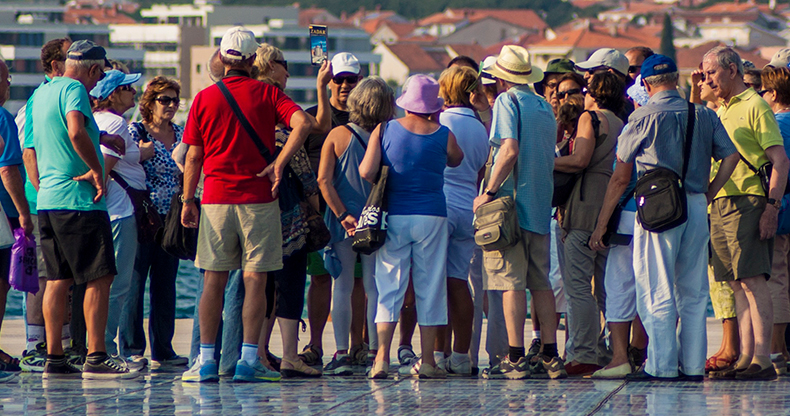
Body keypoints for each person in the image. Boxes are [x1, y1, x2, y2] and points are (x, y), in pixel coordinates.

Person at [589, 54, 740, 381]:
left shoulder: (642, 117)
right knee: (694, 290)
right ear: (677, 79)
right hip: (697, 204)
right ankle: (693, 365)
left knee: (655, 286)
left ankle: (662, 366)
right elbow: (731, 155)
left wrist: (601, 224)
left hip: (657, 207)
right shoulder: (702, 113)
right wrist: (711, 191)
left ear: (645, 84)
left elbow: (619, 176)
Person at [180, 27, 313, 383]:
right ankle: (248, 359)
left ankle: (207, 361)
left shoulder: (205, 98)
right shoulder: (268, 93)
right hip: (259, 200)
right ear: (254, 60)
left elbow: (194, 156)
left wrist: (188, 199)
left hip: (216, 200)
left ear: (222, 58)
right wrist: (281, 162)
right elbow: (304, 123)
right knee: (256, 280)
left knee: (213, 281)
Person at [24, 39, 135, 379]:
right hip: (80, 200)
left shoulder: (39, 93)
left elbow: (29, 149)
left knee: (57, 279)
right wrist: (97, 172)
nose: (99, 81)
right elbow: (75, 130)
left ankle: (55, 357)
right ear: (92, 70)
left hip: (50, 202)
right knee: (100, 276)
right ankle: (97, 355)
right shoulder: (74, 88)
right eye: (100, 73)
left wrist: (43, 186)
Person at [360, 74, 463, 379]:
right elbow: (457, 160)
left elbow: (367, 171)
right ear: (433, 107)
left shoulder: (385, 129)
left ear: (406, 103)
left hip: (395, 215)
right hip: (432, 215)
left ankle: (381, 358)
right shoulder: (444, 134)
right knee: (430, 286)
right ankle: (429, 360)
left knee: (389, 286)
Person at [473, 45, 565, 380]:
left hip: (510, 206)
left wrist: (488, 192)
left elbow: (508, 150)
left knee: (510, 282)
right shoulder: (543, 105)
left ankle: (515, 356)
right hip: (540, 205)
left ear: (500, 77)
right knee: (540, 282)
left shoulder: (505, 102)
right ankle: (551, 354)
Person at [704, 46, 790, 381]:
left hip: (749, 201)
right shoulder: (721, 109)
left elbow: (780, 161)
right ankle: (745, 357)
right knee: (738, 283)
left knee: (754, 281)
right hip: (723, 202)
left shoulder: (755, 105)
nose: (707, 78)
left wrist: (772, 207)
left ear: (732, 70)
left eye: (712, 72)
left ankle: (762, 359)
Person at [252, 42, 330, 377]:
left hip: (250, 200)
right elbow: (300, 151)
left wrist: (320, 89)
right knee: (290, 278)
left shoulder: (248, 99)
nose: (286, 70)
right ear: (270, 66)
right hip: (285, 203)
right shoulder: (275, 103)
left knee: (259, 282)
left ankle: (255, 352)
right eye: (283, 64)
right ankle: (288, 355)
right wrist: (314, 199)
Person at [317, 77, 394, 375]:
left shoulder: (337, 135)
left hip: (344, 223)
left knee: (343, 285)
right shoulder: (388, 135)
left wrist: (340, 214)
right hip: (377, 221)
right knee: (375, 286)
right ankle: (375, 351)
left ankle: (341, 352)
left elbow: (324, 180)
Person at [17, 38, 84, 373]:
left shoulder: (56, 94)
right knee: (47, 276)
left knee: (61, 276)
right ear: (58, 66)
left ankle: (62, 343)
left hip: (54, 197)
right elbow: (27, 151)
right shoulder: (41, 98)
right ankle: (36, 345)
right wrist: (42, 187)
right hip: (45, 199)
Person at [555, 72, 625, 376]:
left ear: (593, 94)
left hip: (583, 206)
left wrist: (546, 161)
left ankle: (583, 351)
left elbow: (580, 159)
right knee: (605, 286)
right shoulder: (622, 122)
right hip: (610, 206)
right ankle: (607, 350)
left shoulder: (590, 117)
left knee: (578, 285)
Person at [300, 52, 365, 369]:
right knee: (321, 278)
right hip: (320, 213)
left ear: (359, 81)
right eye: (338, 79)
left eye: (350, 79)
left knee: (358, 281)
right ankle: (315, 344)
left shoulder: (369, 122)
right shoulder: (312, 119)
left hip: (355, 214)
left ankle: (358, 344)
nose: (344, 85)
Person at [121, 76, 187, 368]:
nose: (171, 105)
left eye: (174, 100)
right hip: (143, 216)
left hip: (172, 218)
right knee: (135, 282)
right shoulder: (137, 133)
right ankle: (132, 347)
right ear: (150, 103)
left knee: (166, 284)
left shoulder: (183, 134)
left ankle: (164, 348)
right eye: (164, 100)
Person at [429, 66, 489, 376]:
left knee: (436, 283)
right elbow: (480, 171)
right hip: (470, 207)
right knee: (459, 282)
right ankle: (462, 355)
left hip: (441, 203)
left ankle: (438, 353)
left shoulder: (439, 121)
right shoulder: (480, 127)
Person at [589, 76, 649, 379]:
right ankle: (651, 353)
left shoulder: (634, 127)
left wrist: (601, 225)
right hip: (666, 216)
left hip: (628, 215)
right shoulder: (676, 124)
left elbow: (620, 178)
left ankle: (620, 357)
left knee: (619, 285)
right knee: (656, 286)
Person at [89, 70, 147, 367]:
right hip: (120, 211)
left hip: (104, 211)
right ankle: (106, 350)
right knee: (118, 284)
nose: (134, 94)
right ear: (113, 93)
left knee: (97, 282)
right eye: (128, 88)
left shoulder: (95, 121)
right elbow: (103, 167)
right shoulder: (115, 123)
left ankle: (94, 345)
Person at [0, 56, 33, 374]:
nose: (8, 85)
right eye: (6, 79)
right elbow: (8, 168)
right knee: (0, 283)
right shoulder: (2, 118)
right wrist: (24, 212)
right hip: (3, 213)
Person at [760, 65, 790, 374]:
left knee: (778, 277)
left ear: (774, 94)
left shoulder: (777, 125)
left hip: (783, 207)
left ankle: (777, 348)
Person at [576, 48, 634, 122]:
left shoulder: (626, 109)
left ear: (610, 73)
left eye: (591, 71)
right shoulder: (627, 105)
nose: (585, 76)